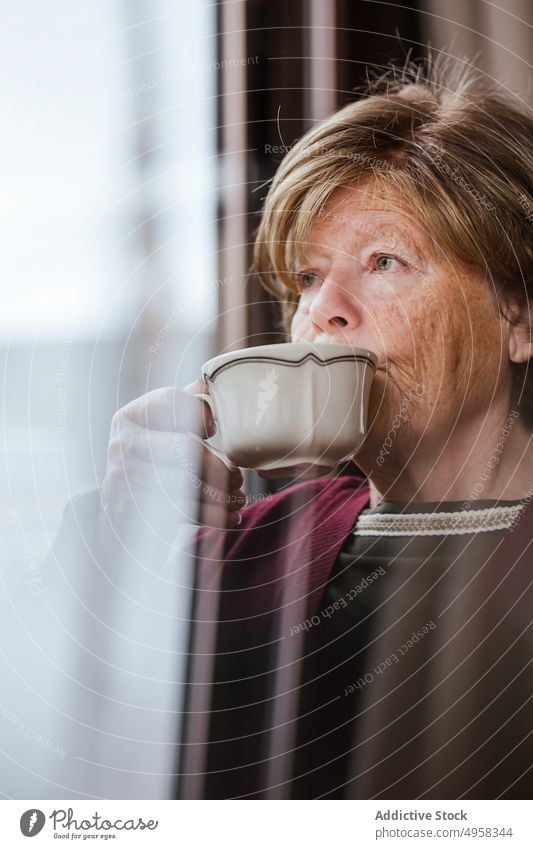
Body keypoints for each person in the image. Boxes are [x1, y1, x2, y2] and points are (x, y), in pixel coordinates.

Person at [49, 57, 533, 799]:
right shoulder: (223, 561)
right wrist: (114, 537)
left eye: (384, 261)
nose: (322, 311)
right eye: (307, 277)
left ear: (518, 316)